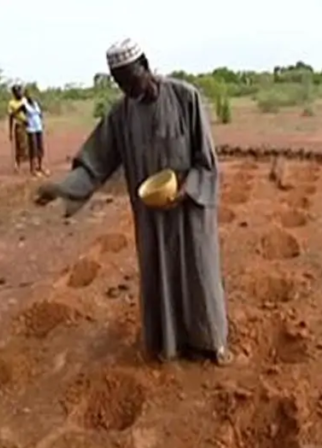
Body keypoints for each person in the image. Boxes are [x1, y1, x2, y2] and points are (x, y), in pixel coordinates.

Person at [33, 38, 231, 366]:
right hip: (151, 218)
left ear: (145, 65)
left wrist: (186, 189)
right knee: (160, 278)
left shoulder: (185, 98)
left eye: (129, 78)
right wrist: (62, 188)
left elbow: (206, 161)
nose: (126, 88)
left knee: (200, 273)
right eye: (118, 82)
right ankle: (170, 345)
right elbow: (96, 162)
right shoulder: (121, 115)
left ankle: (211, 342)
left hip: (189, 212)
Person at [20, 89, 48, 177]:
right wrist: (24, 121)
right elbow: (17, 113)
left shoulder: (35, 104)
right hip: (31, 129)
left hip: (38, 128)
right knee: (33, 149)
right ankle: (33, 169)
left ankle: (40, 167)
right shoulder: (24, 105)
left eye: (31, 94)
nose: (30, 96)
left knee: (40, 148)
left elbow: (40, 113)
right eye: (28, 94)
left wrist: (41, 121)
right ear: (25, 96)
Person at [7, 84, 28, 172]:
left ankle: (32, 165)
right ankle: (17, 164)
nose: (19, 93)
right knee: (19, 146)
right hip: (19, 125)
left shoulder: (25, 100)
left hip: (28, 125)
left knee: (30, 145)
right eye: (16, 92)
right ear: (14, 94)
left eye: (20, 91)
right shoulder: (11, 103)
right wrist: (10, 131)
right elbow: (11, 116)